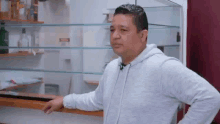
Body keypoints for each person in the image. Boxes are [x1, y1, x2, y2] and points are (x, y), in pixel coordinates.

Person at [42, 4, 220, 124]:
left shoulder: (163, 67)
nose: (115, 36)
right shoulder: (113, 67)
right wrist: (65, 100)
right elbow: (97, 99)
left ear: (143, 35)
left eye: (123, 30)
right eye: (112, 29)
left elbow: (210, 98)